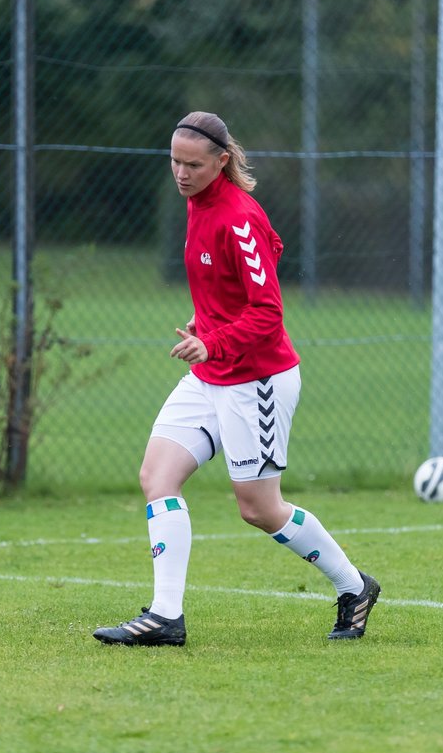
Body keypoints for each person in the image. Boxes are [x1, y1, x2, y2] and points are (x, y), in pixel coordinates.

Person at [93, 112, 380, 647]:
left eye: (193, 165)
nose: (180, 173)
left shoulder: (237, 216)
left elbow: (267, 310)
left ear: (222, 162)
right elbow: (244, 273)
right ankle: (165, 617)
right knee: (157, 476)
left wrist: (214, 340)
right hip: (210, 373)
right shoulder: (196, 204)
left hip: (257, 380)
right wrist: (208, 329)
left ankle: (354, 586)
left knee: (259, 508)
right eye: (174, 162)